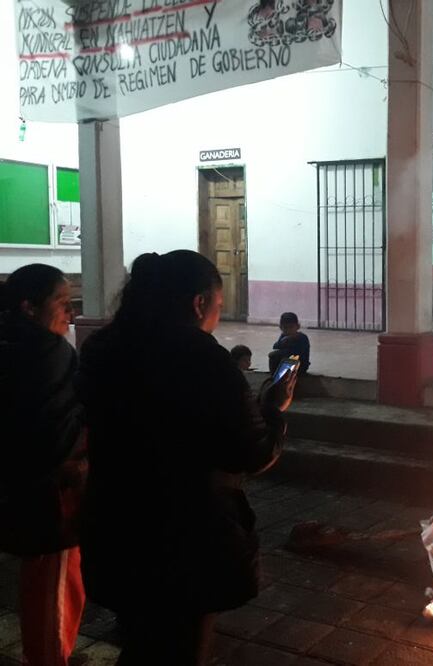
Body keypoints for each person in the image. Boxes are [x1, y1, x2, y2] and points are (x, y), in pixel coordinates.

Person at [76, 251, 297, 665]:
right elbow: (252, 452)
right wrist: (273, 410)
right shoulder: (205, 359)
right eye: (216, 306)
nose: (216, 316)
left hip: (114, 523)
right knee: (180, 647)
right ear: (199, 304)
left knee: (142, 641)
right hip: (186, 538)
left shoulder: (101, 349)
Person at [0, 264, 86, 666]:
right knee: (55, 592)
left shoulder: (9, 346)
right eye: (63, 304)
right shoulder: (49, 352)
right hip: (50, 499)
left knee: (37, 585)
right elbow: (57, 433)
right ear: (29, 307)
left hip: (15, 491)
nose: (71, 314)